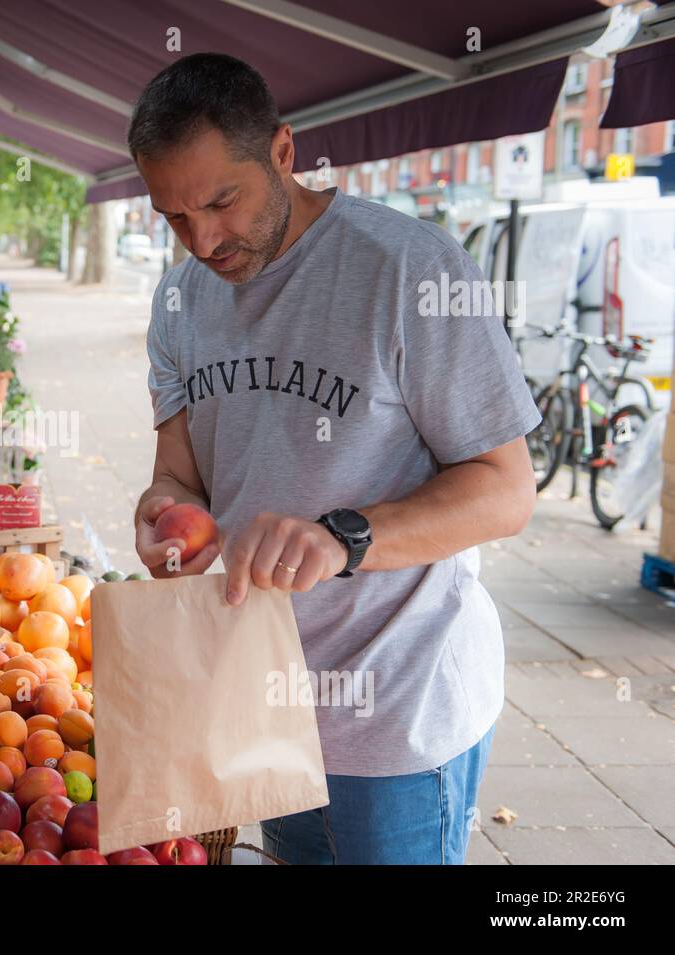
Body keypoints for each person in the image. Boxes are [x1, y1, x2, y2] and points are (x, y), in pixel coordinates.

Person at [129, 53, 540, 864]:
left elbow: (505, 490)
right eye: (175, 217)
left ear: (283, 152)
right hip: (266, 700)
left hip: (400, 714)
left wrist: (344, 536)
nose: (204, 240)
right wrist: (163, 516)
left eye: (222, 201)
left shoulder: (409, 270)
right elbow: (178, 473)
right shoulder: (179, 299)